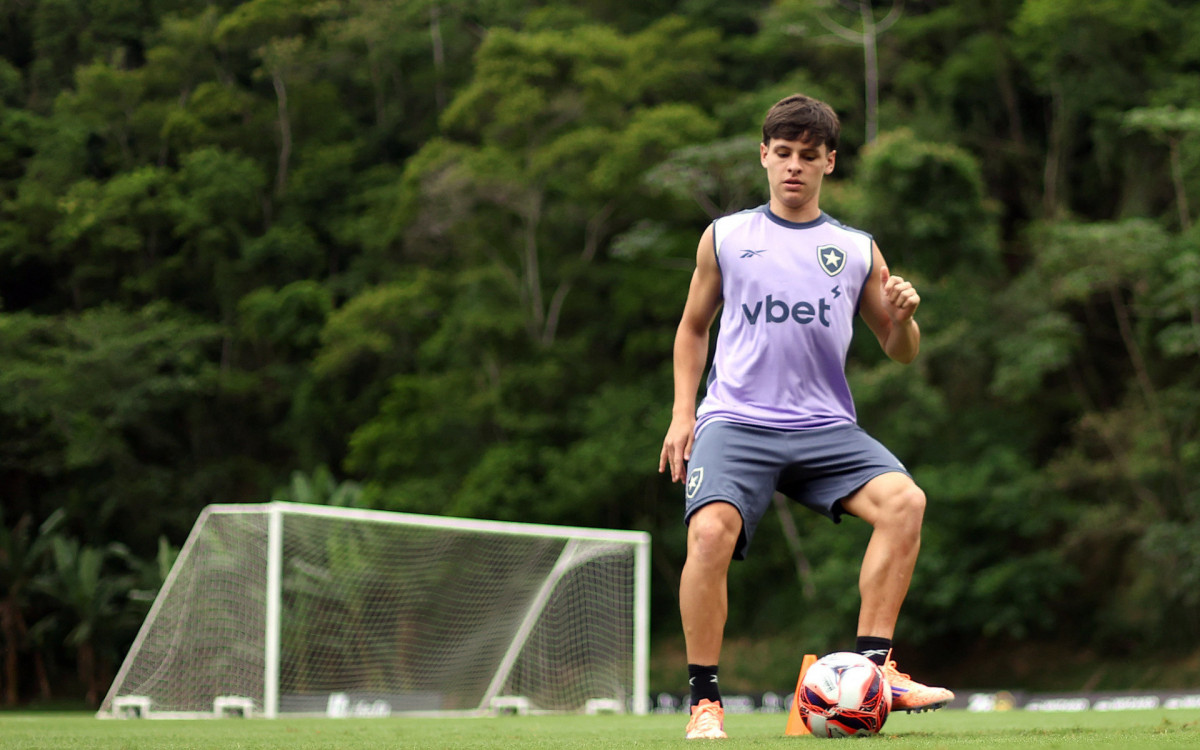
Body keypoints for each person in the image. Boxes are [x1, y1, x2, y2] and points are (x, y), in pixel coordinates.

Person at [658, 94, 954, 740]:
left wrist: (906, 320)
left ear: (829, 163)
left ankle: (877, 669)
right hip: (736, 421)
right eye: (784, 153)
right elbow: (692, 328)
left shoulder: (855, 249)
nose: (795, 165)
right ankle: (704, 702)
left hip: (824, 429)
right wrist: (684, 414)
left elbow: (900, 350)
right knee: (708, 534)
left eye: (809, 155)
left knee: (905, 502)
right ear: (764, 155)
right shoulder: (726, 238)